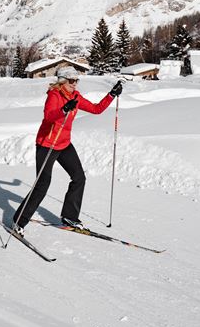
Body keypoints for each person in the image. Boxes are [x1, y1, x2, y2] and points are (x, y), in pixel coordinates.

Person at [12, 67, 122, 235]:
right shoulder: (54, 95)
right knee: (42, 185)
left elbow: (96, 109)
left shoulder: (75, 96)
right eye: (72, 81)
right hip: (47, 144)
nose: (75, 84)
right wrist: (63, 110)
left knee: (79, 178)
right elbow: (49, 116)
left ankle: (69, 216)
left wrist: (111, 95)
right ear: (62, 81)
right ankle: (18, 221)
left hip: (63, 144)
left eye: (77, 80)